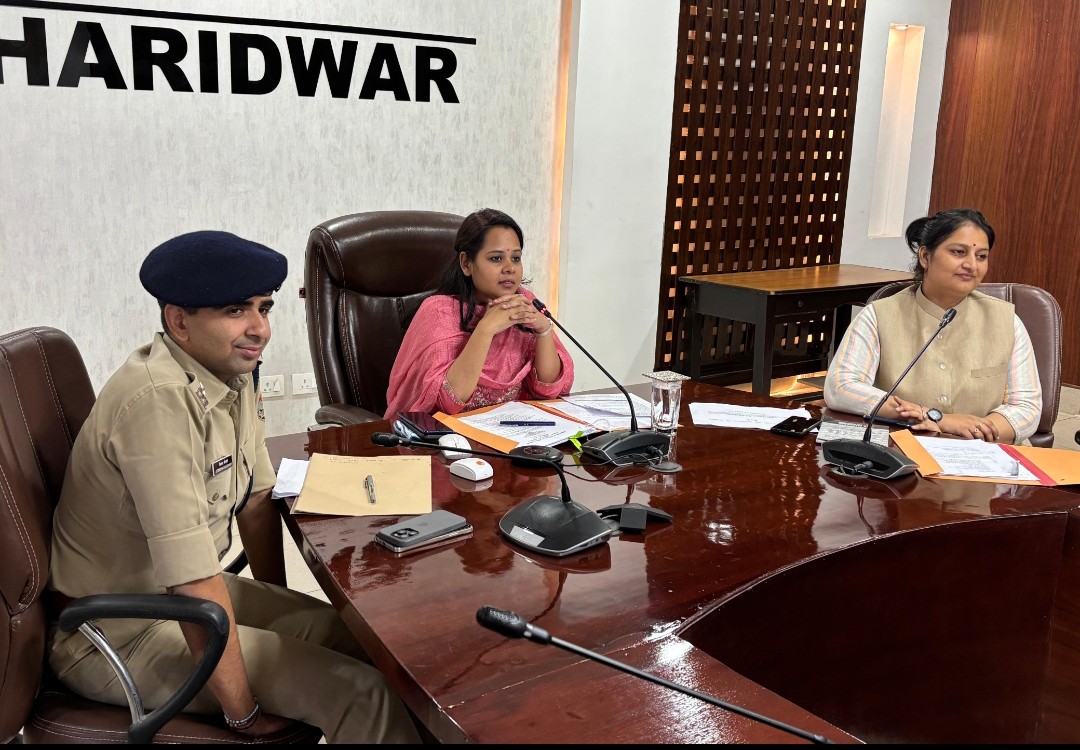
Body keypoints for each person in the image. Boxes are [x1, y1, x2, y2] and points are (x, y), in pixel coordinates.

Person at [46, 231, 420, 743]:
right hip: (114, 632)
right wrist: (244, 714)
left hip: (170, 600)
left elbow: (257, 499)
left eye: (264, 308)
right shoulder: (157, 402)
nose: (259, 328)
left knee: (361, 641)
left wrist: (277, 599)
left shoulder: (229, 375)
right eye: (236, 310)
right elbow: (193, 579)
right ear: (179, 321)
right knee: (363, 693)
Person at [824, 208, 1041, 445]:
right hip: (902, 448)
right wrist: (931, 416)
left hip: (984, 454)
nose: (972, 265)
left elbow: (1026, 407)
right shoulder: (879, 315)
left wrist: (969, 430)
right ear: (925, 257)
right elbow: (841, 388)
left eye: (981, 256)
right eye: (959, 252)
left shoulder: (1007, 321)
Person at [384, 208, 574, 418]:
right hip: (444, 433)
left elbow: (548, 390)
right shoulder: (438, 312)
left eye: (516, 258)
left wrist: (543, 330)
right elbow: (448, 402)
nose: (510, 268)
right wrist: (486, 328)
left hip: (511, 430)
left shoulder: (524, 303)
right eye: (496, 258)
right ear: (466, 263)